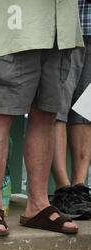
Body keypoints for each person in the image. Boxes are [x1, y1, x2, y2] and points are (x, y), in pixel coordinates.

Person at [0, 0, 82, 236]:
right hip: (10, 22)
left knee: (47, 115)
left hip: (59, 26)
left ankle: (38, 206)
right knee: (0, 115)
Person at [50, 0, 91, 221]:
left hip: (88, 22)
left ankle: (79, 187)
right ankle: (63, 188)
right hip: (65, 25)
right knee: (57, 109)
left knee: (86, 111)